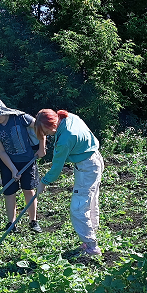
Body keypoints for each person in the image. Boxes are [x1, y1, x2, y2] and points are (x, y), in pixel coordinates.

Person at [34, 109, 104, 256]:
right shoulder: (68, 117)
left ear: (51, 126)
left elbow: (56, 168)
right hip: (95, 159)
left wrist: (43, 182)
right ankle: (89, 240)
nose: (46, 136)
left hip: (87, 168)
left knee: (78, 207)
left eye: (45, 133)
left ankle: (92, 247)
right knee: (90, 202)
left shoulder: (65, 140)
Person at [0, 95, 46, 233]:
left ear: (3, 110)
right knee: (9, 192)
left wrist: (42, 147)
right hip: (7, 163)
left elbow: (40, 127)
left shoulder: (20, 117)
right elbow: (0, 150)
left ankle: (33, 221)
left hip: (28, 160)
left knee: (29, 190)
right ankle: (11, 223)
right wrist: (12, 169)